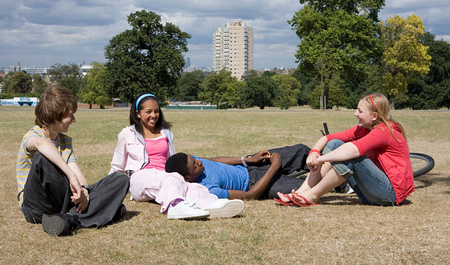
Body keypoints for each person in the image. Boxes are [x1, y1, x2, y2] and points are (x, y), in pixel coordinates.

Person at [16, 84, 130, 236]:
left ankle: (69, 219)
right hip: (36, 207)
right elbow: (41, 144)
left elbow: (78, 173)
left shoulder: (65, 142)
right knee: (42, 157)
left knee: (120, 179)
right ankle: (103, 210)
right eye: (71, 115)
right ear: (56, 115)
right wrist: (71, 176)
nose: (74, 119)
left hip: (62, 202)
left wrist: (84, 189)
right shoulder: (32, 136)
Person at [109, 93, 244, 219]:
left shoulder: (165, 132)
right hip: (140, 178)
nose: (153, 115)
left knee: (193, 187)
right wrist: (110, 191)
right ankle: (175, 206)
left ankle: (212, 204)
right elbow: (117, 165)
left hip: (166, 176)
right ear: (138, 113)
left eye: (156, 111)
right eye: (148, 112)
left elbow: (171, 159)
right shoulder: (127, 134)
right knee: (171, 179)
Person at [276, 93, 414, 207]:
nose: (355, 114)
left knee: (353, 157)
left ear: (374, 116)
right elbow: (328, 139)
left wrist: (320, 159)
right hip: (371, 193)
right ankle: (301, 193)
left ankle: (312, 196)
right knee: (335, 143)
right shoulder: (364, 129)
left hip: (389, 194)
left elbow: (351, 151)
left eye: (360, 111)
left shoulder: (383, 131)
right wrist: (314, 151)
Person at [165, 143, 311, 200]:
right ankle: (334, 179)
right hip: (255, 183)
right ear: (187, 179)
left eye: (194, 159)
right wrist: (274, 167)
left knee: (302, 151)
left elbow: (214, 160)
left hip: (250, 165)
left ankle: (333, 163)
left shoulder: (195, 162)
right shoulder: (208, 189)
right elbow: (250, 195)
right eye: (195, 166)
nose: (199, 162)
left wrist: (248, 160)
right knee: (308, 186)